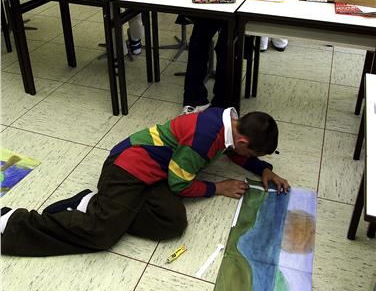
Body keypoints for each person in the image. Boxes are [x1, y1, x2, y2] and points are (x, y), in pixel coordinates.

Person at [1, 108, 290, 257]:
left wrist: (262, 168)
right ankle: (13, 222)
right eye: (252, 152)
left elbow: (235, 153)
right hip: (126, 168)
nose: (247, 156)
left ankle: (93, 203)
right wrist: (217, 187)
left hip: (157, 173)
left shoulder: (230, 121)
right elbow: (180, 185)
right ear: (242, 140)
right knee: (102, 235)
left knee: (172, 223)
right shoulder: (204, 138)